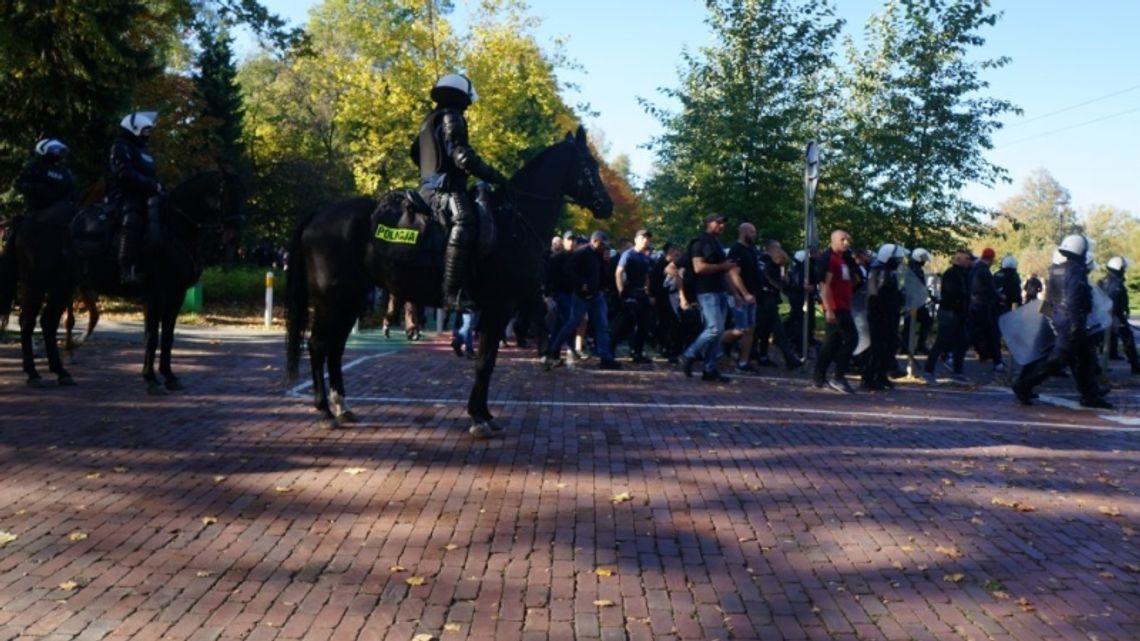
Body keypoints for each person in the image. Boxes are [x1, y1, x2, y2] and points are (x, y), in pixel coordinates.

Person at [410, 74, 507, 311]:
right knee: (464, 221)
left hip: (426, 187)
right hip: (443, 189)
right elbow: (463, 157)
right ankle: (450, 292)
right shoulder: (452, 117)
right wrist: (495, 176)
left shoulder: (429, 119)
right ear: (461, 96)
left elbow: (414, 154)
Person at [1012, 235, 1110, 408]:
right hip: (1073, 321)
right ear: (1081, 250)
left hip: (1062, 318)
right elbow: (1074, 299)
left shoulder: (1056, 270)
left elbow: (1050, 299)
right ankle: (1023, 385)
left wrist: (1054, 318)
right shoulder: (1076, 270)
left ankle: (1090, 394)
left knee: (1085, 358)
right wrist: (1074, 324)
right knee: (1058, 360)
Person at [680, 213, 749, 382]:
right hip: (706, 291)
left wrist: (734, 293)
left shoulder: (717, 244)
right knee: (714, 328)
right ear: (709, 223)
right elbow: (698, 268)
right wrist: (722, 266)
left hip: (720, 291)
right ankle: (689, 354)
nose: (722, 226)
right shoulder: (700, 242)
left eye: (722, 223)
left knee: (717, 334)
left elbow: (725, 272)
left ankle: (709, 368)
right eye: (718, 223)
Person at [3, 139, 77, 295]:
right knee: (11, 244)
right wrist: (41, 191)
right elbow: (21, 184)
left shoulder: (65, 172)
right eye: (55, 150)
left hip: (61, 214)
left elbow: (73, 193)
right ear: (44, 150)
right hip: (36, 211)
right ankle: (5, 293)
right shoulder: (35, 166)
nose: (58, 153)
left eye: (60, 150)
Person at [544, 231, 620, 371]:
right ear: (595, 241)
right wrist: (580, 284)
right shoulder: (581, 252)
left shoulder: (598, 254)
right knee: (571, 324)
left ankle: (606, 357)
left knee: (602, 326)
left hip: (596, 294)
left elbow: (600, 271)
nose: (605, 247)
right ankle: (553, 350)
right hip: (581, 296)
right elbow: (568, 270)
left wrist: (604, 285)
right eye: (603, 244)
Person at [109, 111, 161, 284]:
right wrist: (150, 185)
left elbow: (151, 175)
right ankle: (126, 268)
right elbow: (123, 173)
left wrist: (157, 187)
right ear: (134, 128)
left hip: (148, 195)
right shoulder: (121, 145)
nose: (148, 134)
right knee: (132, 219)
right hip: (125, 195)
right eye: (146, 130)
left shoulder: (144, 151)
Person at [812, 229, 859, 393]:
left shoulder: (843, 259)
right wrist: (829, 309)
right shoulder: (831, 259)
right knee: (852, 339)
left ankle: (819, 377)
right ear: (833, 241)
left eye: (847, 239)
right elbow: (824, 286)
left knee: (832, 342)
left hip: (844, 305)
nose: (846, 242)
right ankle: (838, 376)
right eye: (842, 239)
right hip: (836, 307)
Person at [924, 249, 972, 382]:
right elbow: (952, 293)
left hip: (958, 312)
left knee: (962, 342)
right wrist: (962, 299)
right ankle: (928, 370)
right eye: (967, 259)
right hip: (950, 312)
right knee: (941, 342)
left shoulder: (963, 274)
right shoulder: (952, 274)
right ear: (958, 260)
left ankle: (958, 371)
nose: (969, 262)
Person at [863, 243, 906, 390]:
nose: (899, 261)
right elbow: (878, 296)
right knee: (878, 348)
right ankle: (870, 379)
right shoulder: (880, 271)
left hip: (887, 315)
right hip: (880, 317)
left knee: (887, 347)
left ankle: (881, 376)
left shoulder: (885, 271)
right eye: (897, 259)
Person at [755, 241, 802, 369]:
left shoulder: (759, 261)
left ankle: (761, 356)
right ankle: (789, 359)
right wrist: (797, 288)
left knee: (763, 330)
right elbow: (779, 284)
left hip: (763, 299)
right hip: (767, 300)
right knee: (777, 331)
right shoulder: (770, 266)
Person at [611, 229, 655, 363]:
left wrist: (648, 290)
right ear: (636, 239)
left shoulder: (646, 257)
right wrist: (622, 292)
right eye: (643, 238)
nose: (646, 240)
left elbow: (647, 275)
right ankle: (609, 347)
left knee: (644, 325)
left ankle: (638, 353)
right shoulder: (628, 254)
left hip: (642, 294)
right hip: (630, 293)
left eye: (648, 238)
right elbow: (618, 272)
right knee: (625, 326)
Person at [726, 223, 761, 371]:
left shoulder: (752, 250)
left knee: (750, 330)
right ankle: (715, 343)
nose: (754, 234)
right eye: (752, 232)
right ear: (744, 232)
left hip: (753, 295)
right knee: (742, 329)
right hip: (741, 296)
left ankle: (743, 361)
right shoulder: (736, 250)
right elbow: (733, 274)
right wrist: (742, 293)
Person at [1099, 256, 1140, 374]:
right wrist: (1123, 314)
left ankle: (1112, 354)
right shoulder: (1117, 284)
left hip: (1103, 315)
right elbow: (1118, 301)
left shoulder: (1102, 281)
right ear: (1120, 269)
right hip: (1115, 315)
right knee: (1127, 337)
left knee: (1107, 336)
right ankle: (1135, 365)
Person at [969, 247, 1003, 372]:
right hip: (984, 306)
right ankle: (997, 362)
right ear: (992, 259)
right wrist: (1000, 297)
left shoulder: (974, 269)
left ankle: (982, 353)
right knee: (993, 334)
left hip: (973, 305)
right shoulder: (984, 271)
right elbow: (990, 289)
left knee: (974, 333)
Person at [900, 247, 933, 355]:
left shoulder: (915, 268)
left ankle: (911, 347)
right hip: (914, 302)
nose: (924, 261)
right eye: (923, 258)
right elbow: (915, 286)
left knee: (914, 324)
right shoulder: (914, 269)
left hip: (915, 301)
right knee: (911, 324)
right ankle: (911, 347)